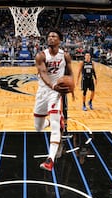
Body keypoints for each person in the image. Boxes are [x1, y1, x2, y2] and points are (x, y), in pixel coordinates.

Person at [33, 30, 74, 171]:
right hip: (43, 91)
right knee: (38, 127)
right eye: (49, 36)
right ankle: (51, 121)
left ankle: (50, 160)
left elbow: (70, 73)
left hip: (56, 94)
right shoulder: (41, 55)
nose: (51, 38)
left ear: (60, 40)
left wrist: (71, 86)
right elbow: (43, 73)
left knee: (56, 126)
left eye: (54, 36)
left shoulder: (66, 56)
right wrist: (53, 86)